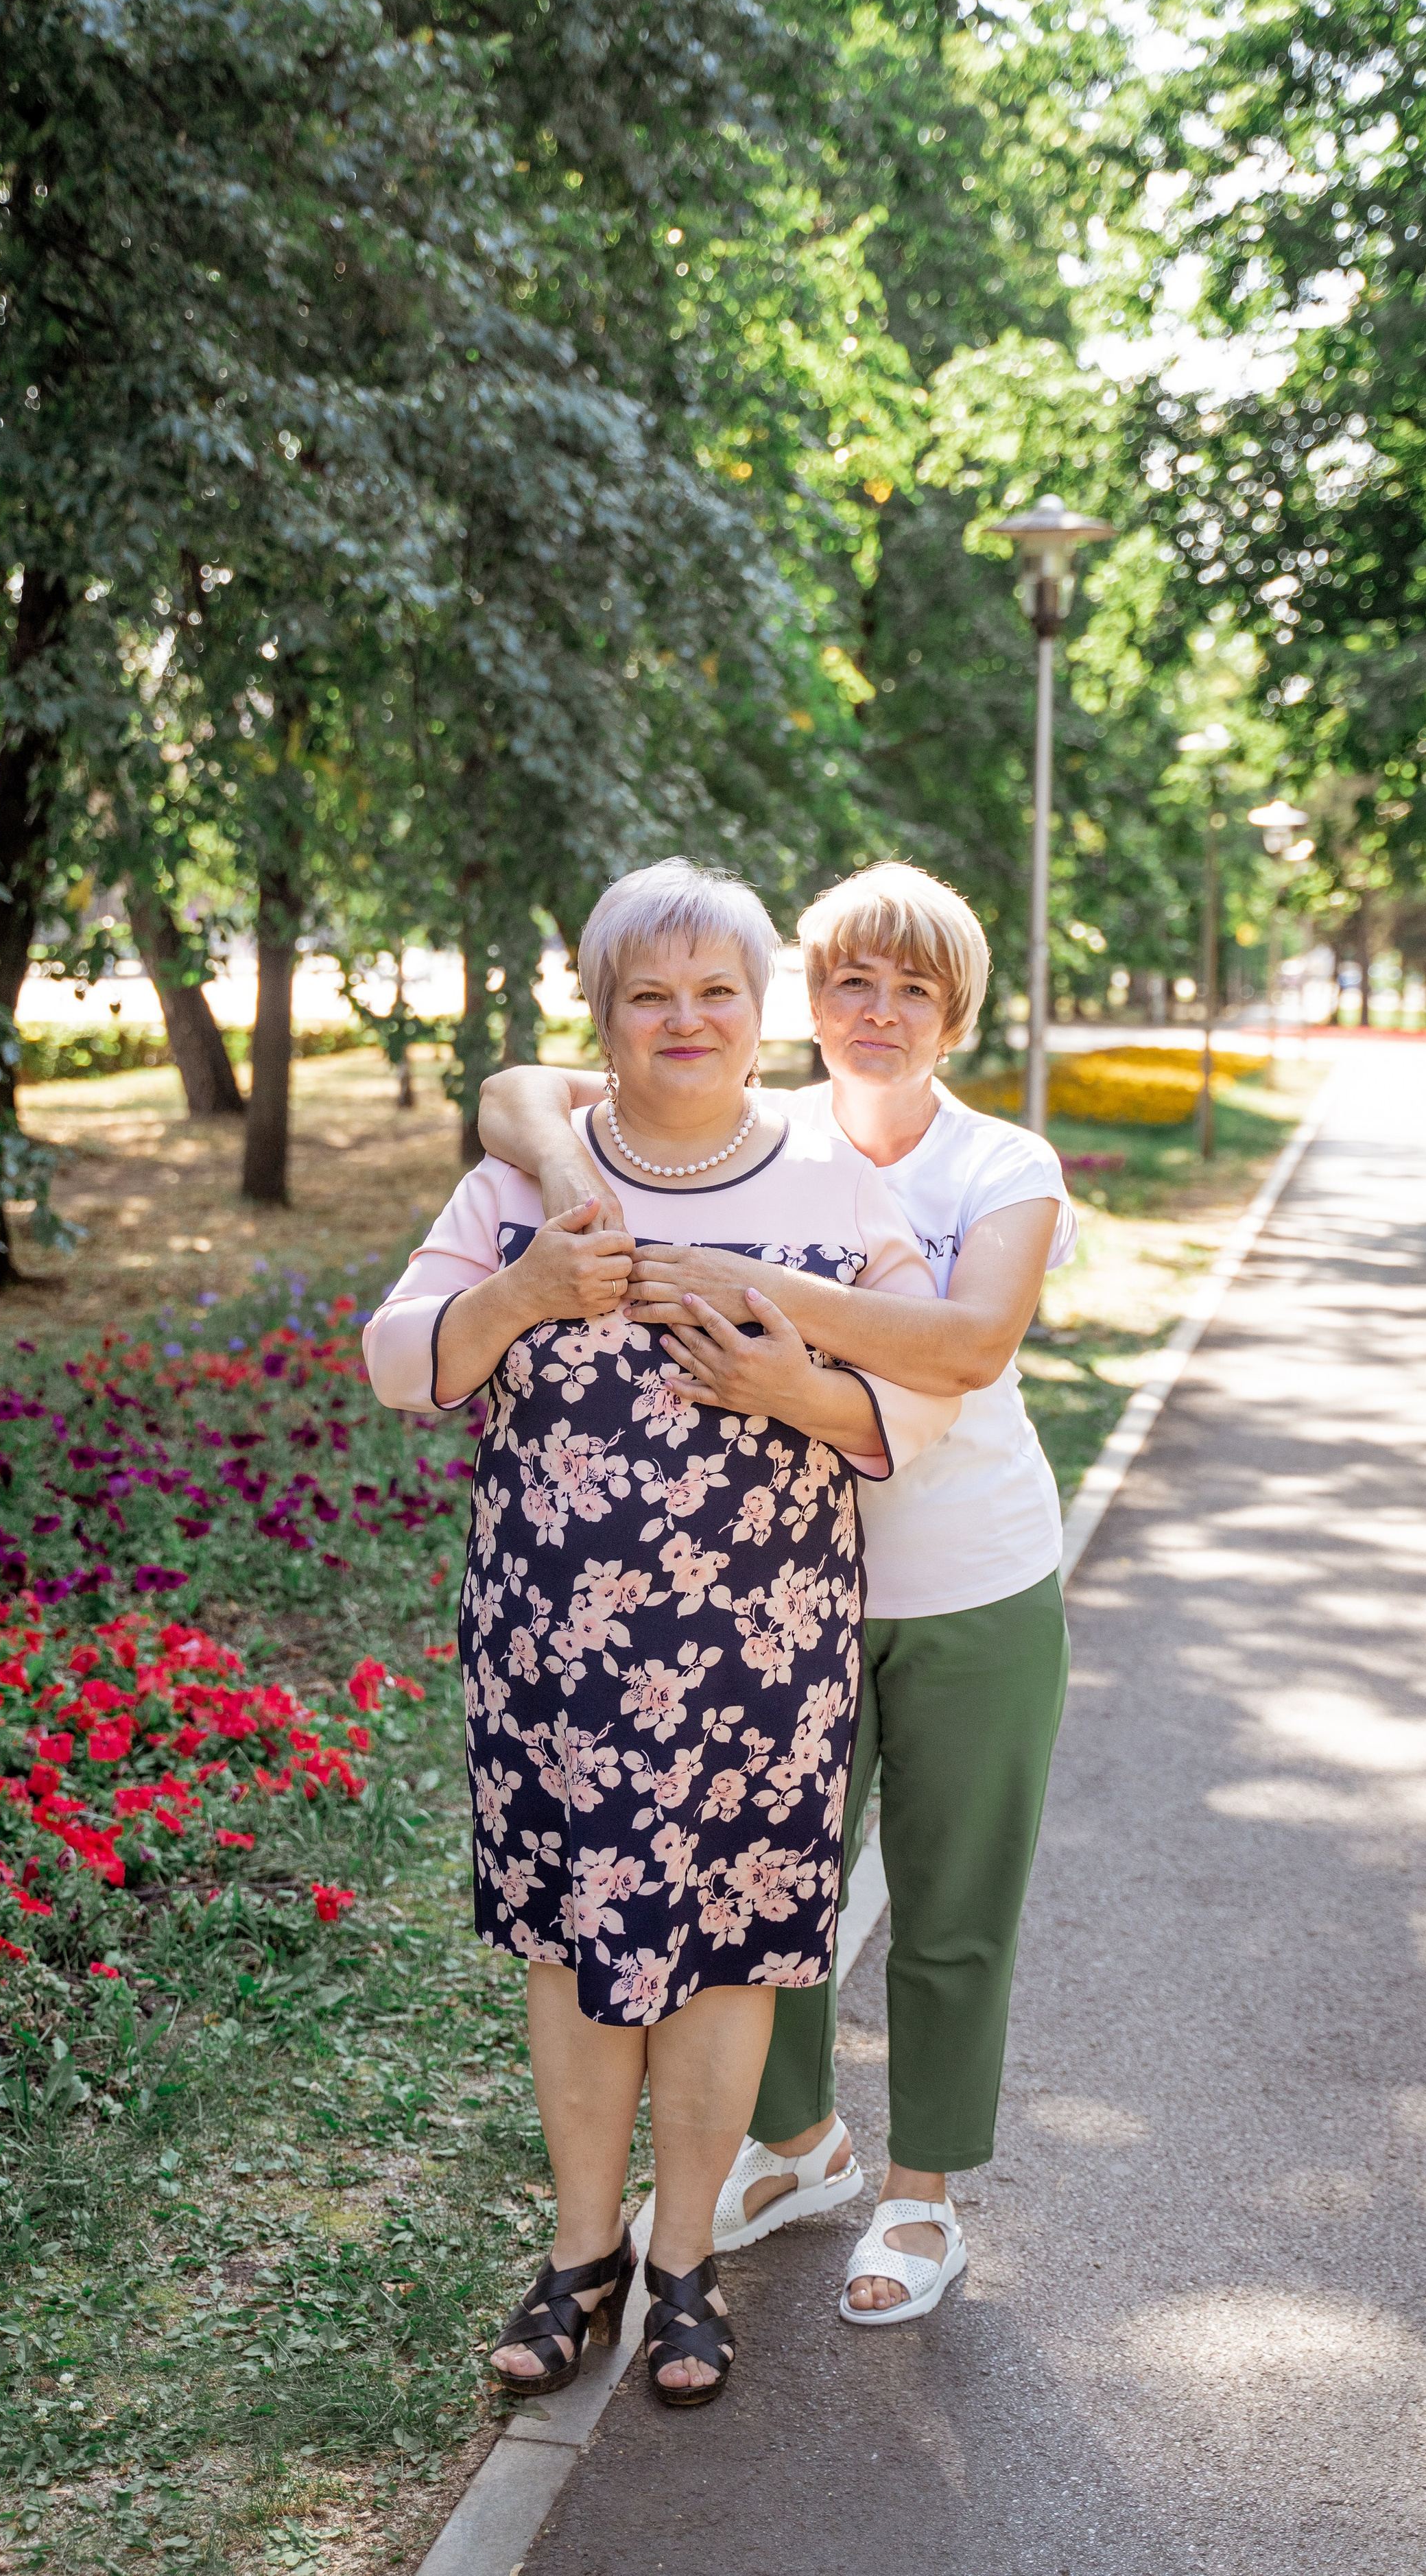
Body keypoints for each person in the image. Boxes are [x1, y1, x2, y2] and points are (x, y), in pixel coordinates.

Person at [365, 859, 953, 2406]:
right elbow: (393, 1359)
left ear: (757, 1011)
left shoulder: (833, 1190)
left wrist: (794, 1389)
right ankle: (580, 2256)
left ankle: (683, 2260)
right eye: (648, 994)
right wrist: (524, 1294)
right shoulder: (520, 1188)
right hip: (554, 1659)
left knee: (728, 1959)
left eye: (713, 992)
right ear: (601, 1014)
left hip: (762, 1659)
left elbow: (924, 1393)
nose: (682, 1019)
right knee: (570, 1950)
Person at [478, 859, 1076, 2324]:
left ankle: (922, 2198)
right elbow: (514, 1090)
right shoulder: (753, 1112)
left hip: (963, 1583)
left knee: (945, 1900)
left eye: (913, 990)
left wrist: (755, 1297)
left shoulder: (999, 1167)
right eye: (848, 982)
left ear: (955, 1015)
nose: (876, 1012)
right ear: (801, 1001)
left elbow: (969, 1343)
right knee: (761, 1897)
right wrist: (567, 1179)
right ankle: (798, 2146)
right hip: (769, 1596)